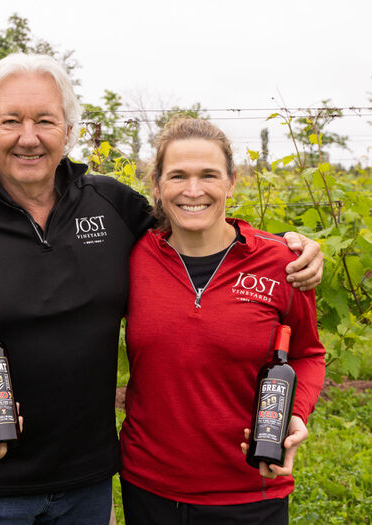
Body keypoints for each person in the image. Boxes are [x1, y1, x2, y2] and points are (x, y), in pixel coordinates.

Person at [0, 53, 323, 524]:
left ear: (68, 130)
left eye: (45, 120)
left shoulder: (112, 205)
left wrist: (288, 246)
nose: (29, 137)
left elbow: (196, 224)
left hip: (88, 485)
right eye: (11, 121)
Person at [119, 118, 326, 524]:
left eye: (208, 176)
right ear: (158, 187)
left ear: (231, 183)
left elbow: (308, 354)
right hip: (148, 486)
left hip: (250, 488)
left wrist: (296, 413)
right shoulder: (131, 257)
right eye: (178, 176)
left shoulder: (282, 264)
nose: (193, 191)